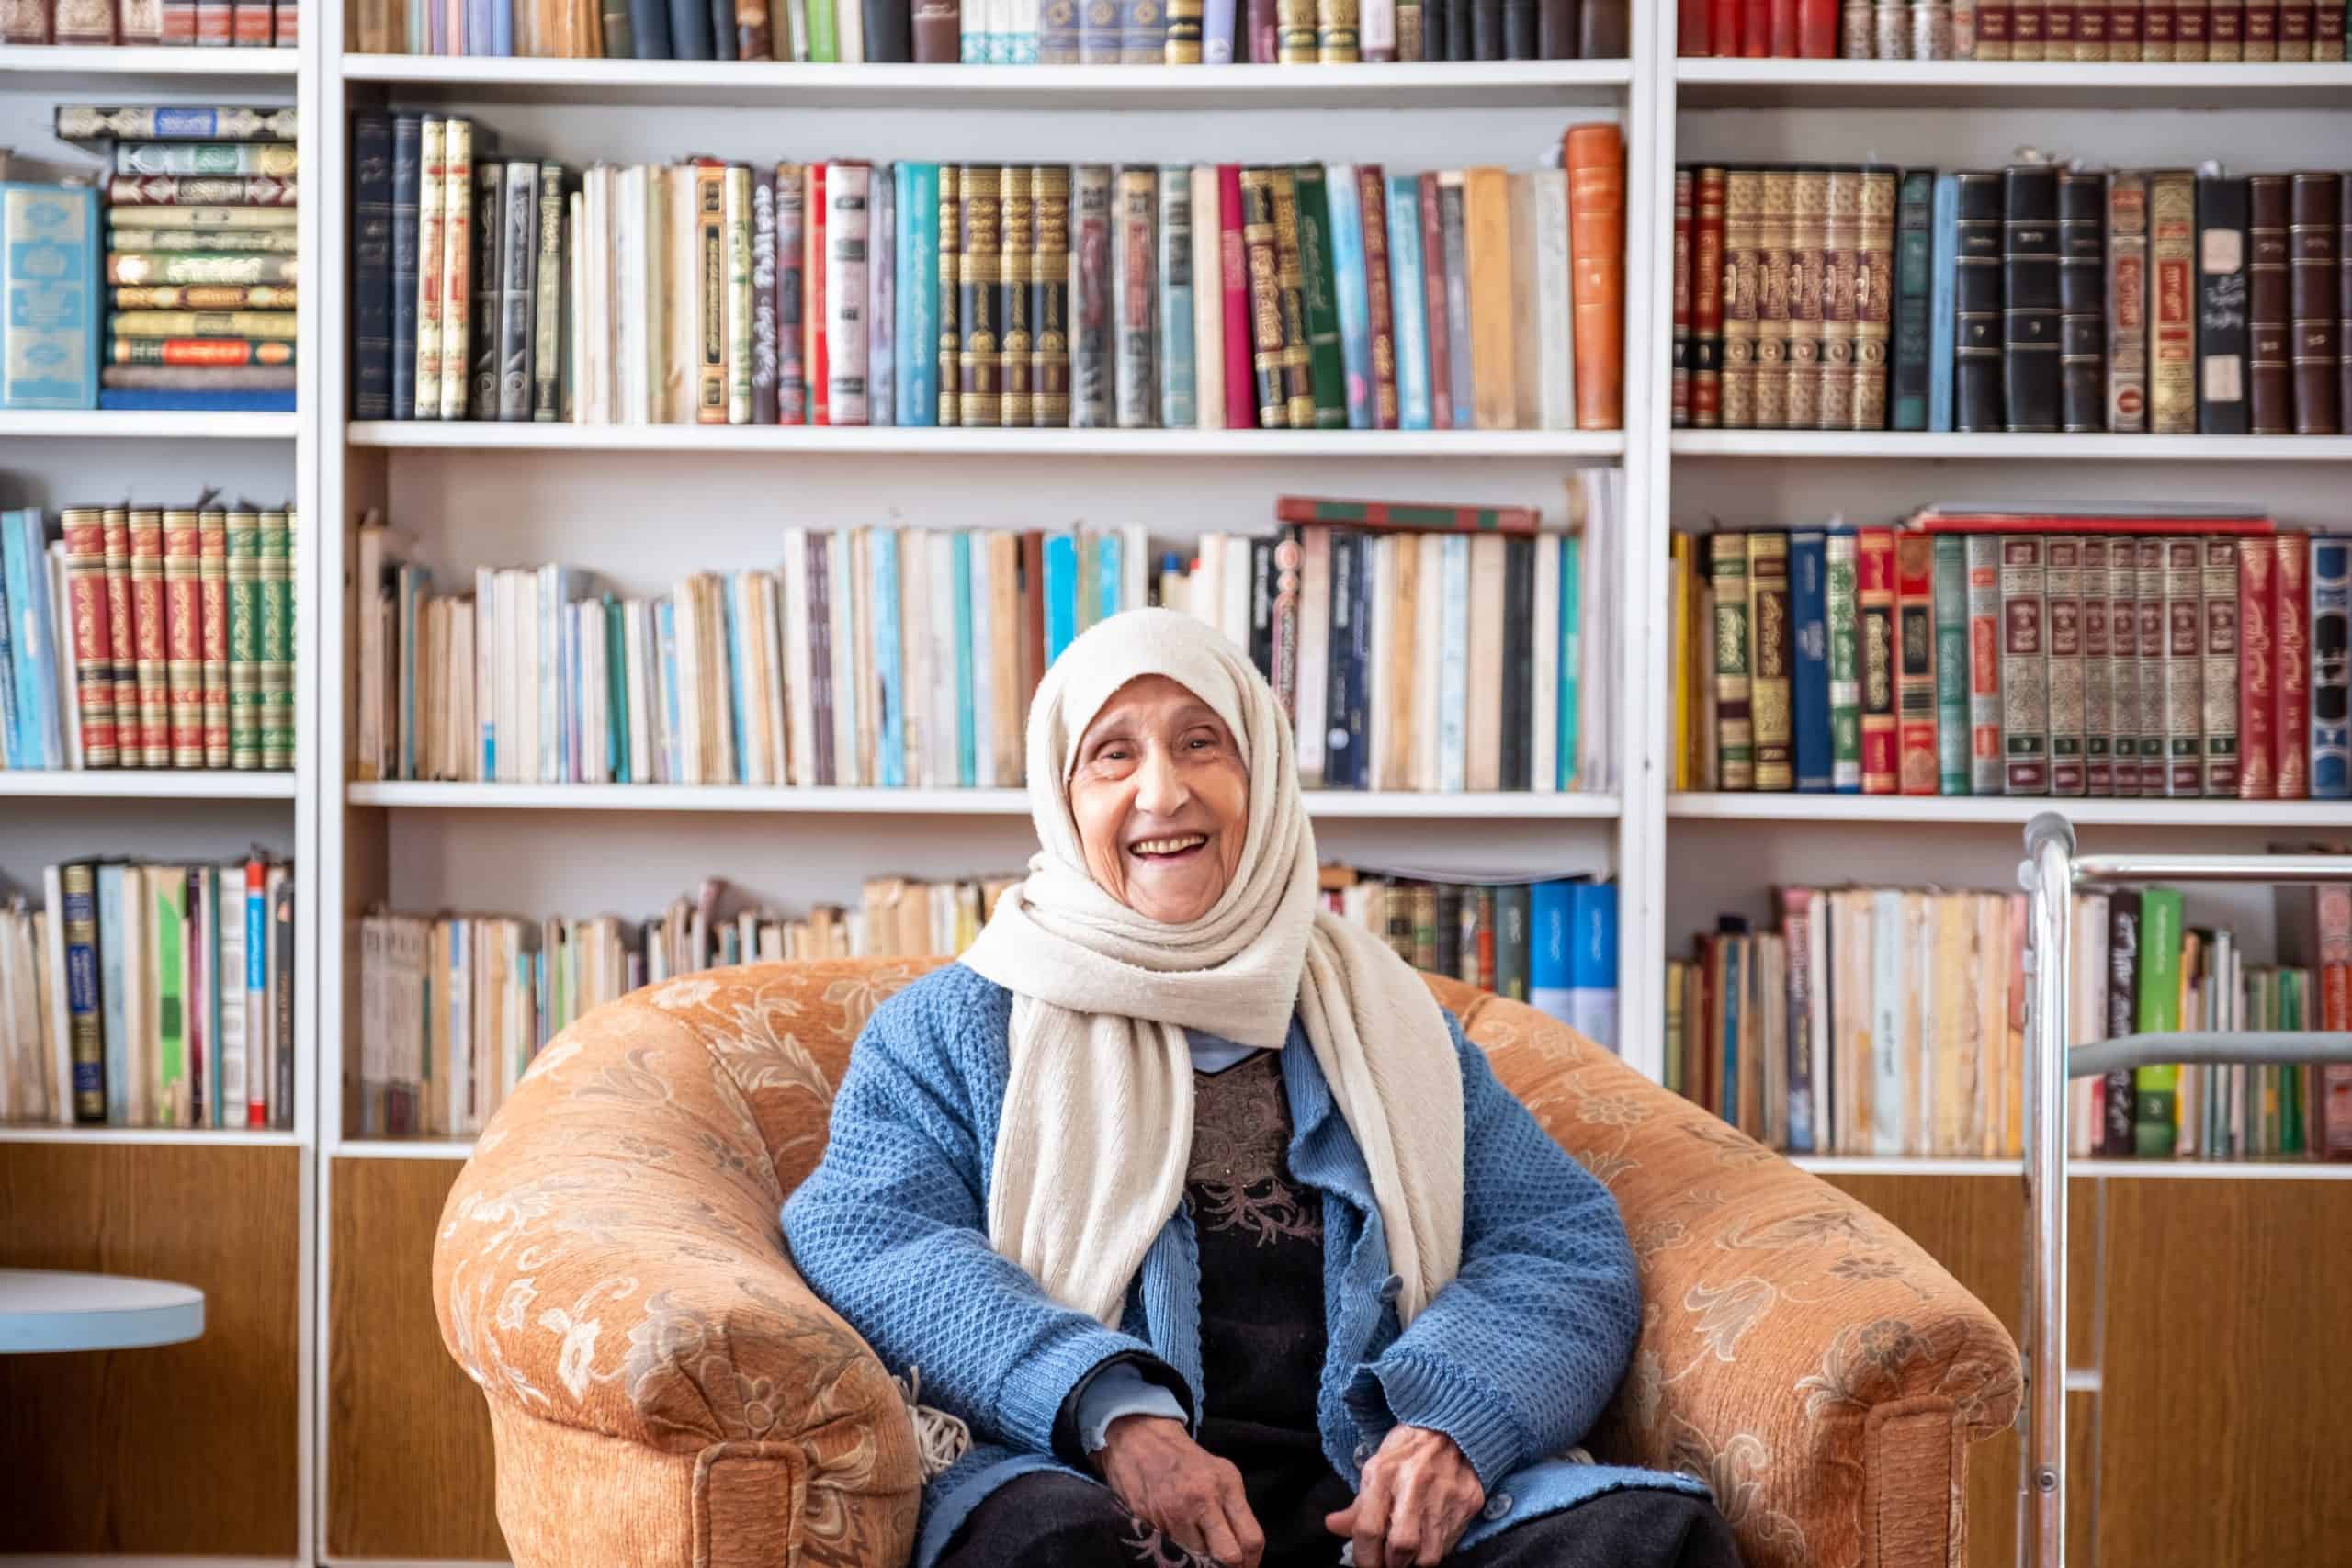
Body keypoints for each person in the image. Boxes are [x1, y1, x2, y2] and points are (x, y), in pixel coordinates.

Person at [784, 609, 1738, 1568]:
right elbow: (867, 1230)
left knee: (1650, 1537)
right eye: (1112, 756)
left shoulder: (1379, 1015)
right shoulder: (954, 1025)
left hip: (1369, 1499)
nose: (1163, 791)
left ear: (1264, 777)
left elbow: (1557, 1240)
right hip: (1090, 1483)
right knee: (1040, 1549)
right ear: (1060, 798)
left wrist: (1453, 1424)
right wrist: (1111, 1414)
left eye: (1201, 744)